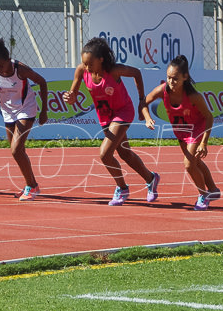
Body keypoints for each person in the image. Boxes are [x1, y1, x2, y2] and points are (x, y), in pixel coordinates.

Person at [62, 37, 160, 206]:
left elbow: (137, 73)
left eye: (90, 64)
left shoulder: (114, 70)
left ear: (101, 59)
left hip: (123, 111)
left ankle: (122, 188)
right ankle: (151, 178)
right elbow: (73, 97)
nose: (87, 67)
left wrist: (142, 100)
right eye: (84, 63)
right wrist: (69, 98)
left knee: (105, 153)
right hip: (105, 116)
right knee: (125, 154)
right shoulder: (81, 71)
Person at [140, 55, 221, 210]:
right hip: (181, 132)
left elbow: (209, 117)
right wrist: (147, 118)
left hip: (196, 129)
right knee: (195, 162)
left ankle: (203, 195)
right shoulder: (163, 90)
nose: (171, 82)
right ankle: (213, 189)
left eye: (175, 79)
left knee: (189, 164)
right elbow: (144, 102)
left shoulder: (193, 97)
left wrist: (204, 142)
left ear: (185, 77)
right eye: (169, 78)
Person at [0, 37, 48, 201]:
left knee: (16, 149)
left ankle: (32, 186)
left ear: (8, 60)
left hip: (26, 108)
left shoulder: (21, 69)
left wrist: (44, 110)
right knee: (17, 151)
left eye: (1, 65)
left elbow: (42, 82)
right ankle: (31, 185)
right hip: (7, 112)